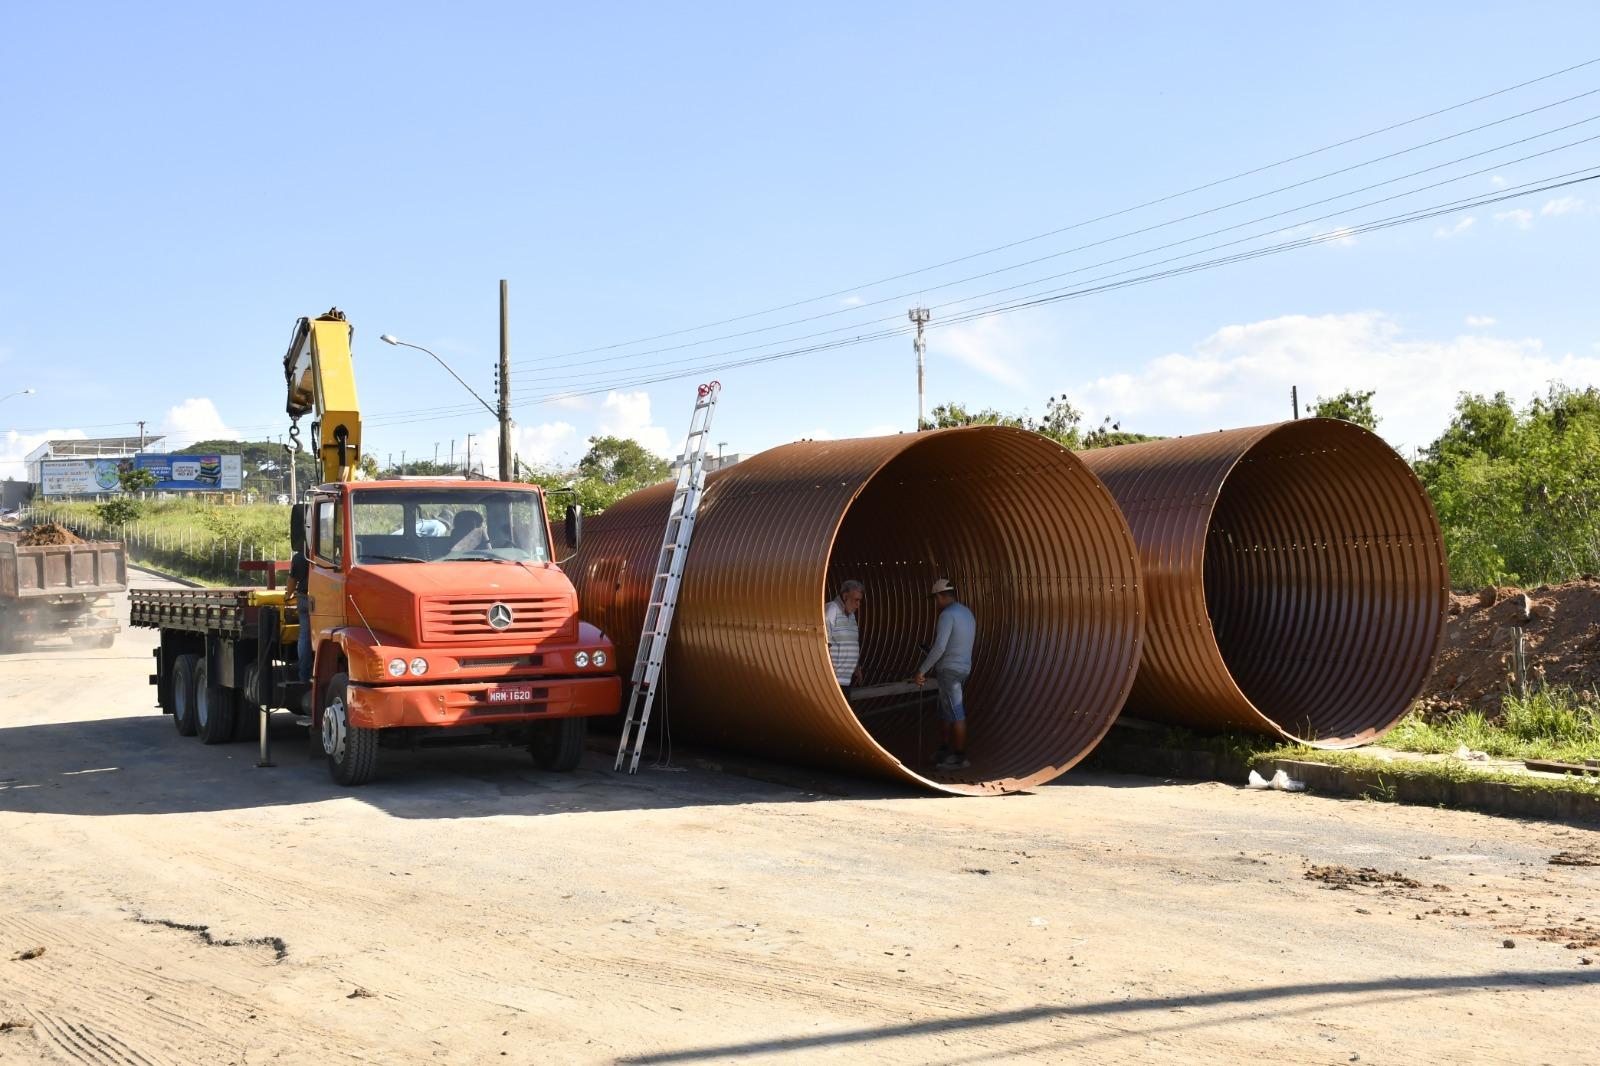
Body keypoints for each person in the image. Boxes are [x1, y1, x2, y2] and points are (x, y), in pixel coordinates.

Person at [914, 578, 976, 770]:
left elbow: (940, 646)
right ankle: (944, 750)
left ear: (940, 596)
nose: (936, 603)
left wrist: (922, 670)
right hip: (964, 666)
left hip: (949, 669)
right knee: (945, 709)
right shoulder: (966, 612)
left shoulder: (947, 615)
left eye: (935, 599)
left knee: (956, 711)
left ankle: (959, 757)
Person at [825, 580, 865, 697]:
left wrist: (856, 667)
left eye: (860, 601)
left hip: (845, 680)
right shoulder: (832, 610)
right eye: (856, 600)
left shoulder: (851, 614)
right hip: (832, 681)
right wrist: (828, 674)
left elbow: (852, 643)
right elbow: (823, 643)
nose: (858, 604)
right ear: (845, 596)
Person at [284, 538, 313, 684]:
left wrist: (287, 596)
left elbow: (292, 580)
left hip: (304, 598)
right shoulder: (327, 554)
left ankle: (304, 676)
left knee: (305, 637)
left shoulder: (300, 557)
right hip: (324, 598)